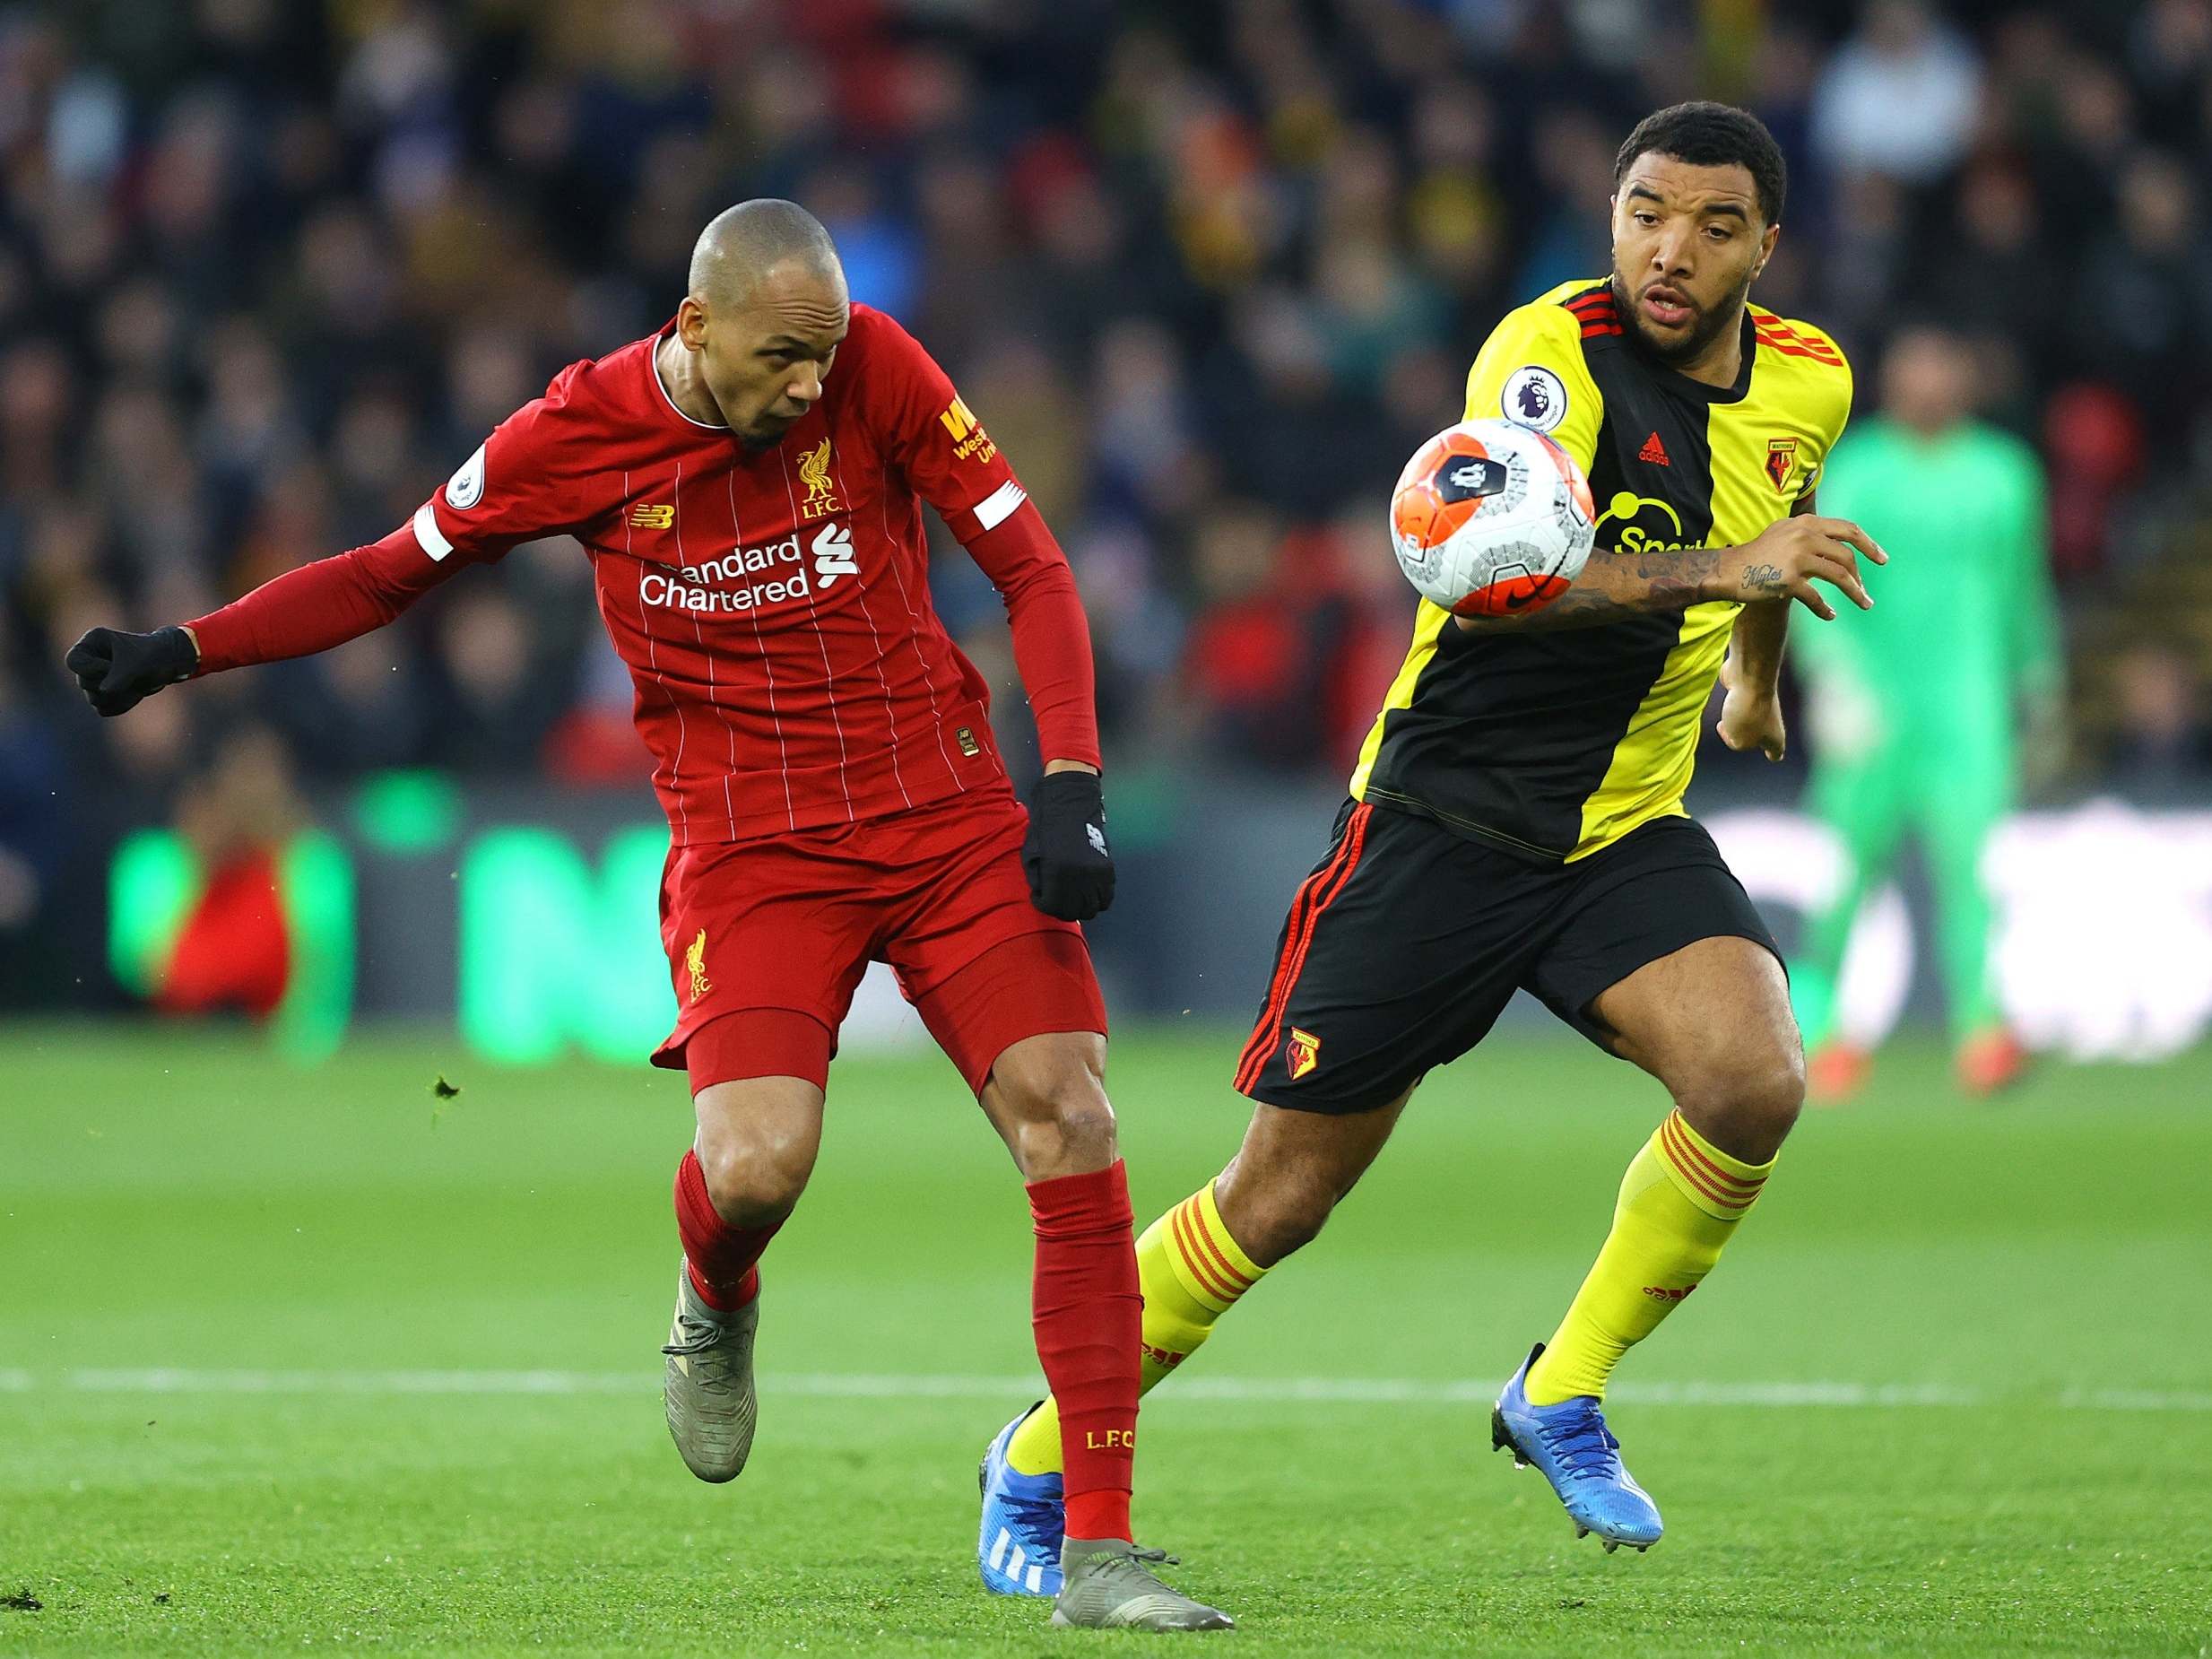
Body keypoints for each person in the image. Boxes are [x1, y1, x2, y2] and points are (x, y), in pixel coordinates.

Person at [66, 200, 1229, 1634]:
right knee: (754, 1166)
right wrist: (185, 648)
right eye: (779, 358)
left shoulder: (879, 369)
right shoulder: (571, 436)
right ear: (693, 328)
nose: (809, 385)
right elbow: (383, 574)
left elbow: (1032, 567)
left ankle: (1097, 1543)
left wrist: (1066, 780)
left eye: (823, 356)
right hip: (752, 851)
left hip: (943, 814)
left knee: (1072, 1115)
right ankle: (713, 1290)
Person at [977, 102, 1880, 1581]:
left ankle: (1562, 1389)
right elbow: (1497, 571)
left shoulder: (1808, 378)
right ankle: (1029, 1464)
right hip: (1437, 827)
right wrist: (1728, 572)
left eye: (1716, 226)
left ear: (1765, 248)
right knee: (1278, 1199)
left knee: (1753, 1076)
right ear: (1610, 217)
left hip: (1617, 831)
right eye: (1648, 211)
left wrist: (1755, 676)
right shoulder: (1543, 361)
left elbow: (1775, 514)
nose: (1673, 249)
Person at [1791, 324, 2061, 1100]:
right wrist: (1832, 678)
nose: (1928, 381)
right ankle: (1819, 1031)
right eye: (1915, 366)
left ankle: (1981, 1031)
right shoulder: (1859, 470)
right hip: (1876, 705)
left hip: (1968, 708)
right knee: (1847, 876)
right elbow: (1815, 584)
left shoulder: (2005, 475)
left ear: (1968, 377)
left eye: (1943, 365)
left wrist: (2037, 685)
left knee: (1972, 875)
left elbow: (2022, 594)